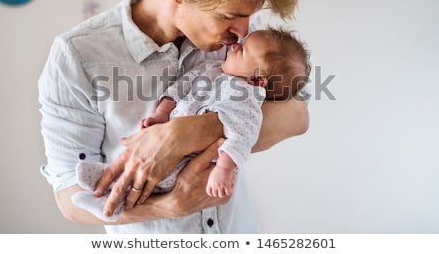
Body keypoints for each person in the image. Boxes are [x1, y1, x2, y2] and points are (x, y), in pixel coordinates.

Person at [39, 0, 308, 233]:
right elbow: (69, 197)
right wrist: (170, 205)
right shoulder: (77, 56)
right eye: (230, 15)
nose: (242, 31)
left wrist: (182, 134)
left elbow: (296, 116)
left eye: (249, 16)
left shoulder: (239, 43)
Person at [71, 28, 311, 222]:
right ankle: (106, 192)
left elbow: (242, 135)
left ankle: (108, 201)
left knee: (154, 178)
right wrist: (162, 114)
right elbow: (179, 88)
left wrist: (224, 169)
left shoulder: (246, 96)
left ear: (257, 79)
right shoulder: (211, 69)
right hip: (170, 140)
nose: (236, 42)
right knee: (139, 168)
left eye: (243, 49)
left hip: (191, 161)